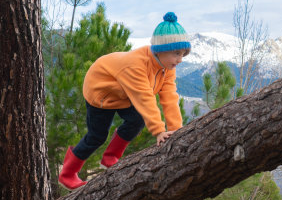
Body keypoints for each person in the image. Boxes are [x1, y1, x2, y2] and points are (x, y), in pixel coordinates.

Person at [58, 12, 191, 190]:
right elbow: (144, 98)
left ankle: (110, 158)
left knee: (137, 119)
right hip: (101, 92)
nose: (180, 60)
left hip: (123, 93)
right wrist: (159, 131)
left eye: (183, 54)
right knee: (96, 136)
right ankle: (67, 173)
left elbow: (170, 98)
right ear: (162, 49)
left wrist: (175, 130)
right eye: (176, 53)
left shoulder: (166, 67)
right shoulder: (136, 64)